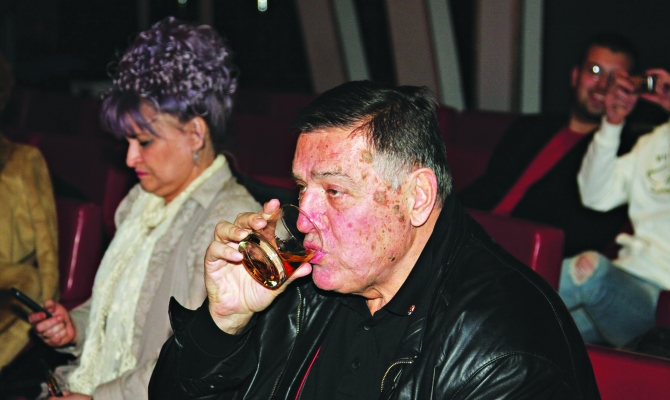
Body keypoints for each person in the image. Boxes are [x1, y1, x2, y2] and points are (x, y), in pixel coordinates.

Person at [149, 81, 600, 399]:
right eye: (302, 188)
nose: (303, 219)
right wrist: (223, 324)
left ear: (416, 198)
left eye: (334, 191)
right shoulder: (304, 282)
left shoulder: (504, 349)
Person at [27, 17, 260, 399]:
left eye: (145, 142)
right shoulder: (142, 200)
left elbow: (190, 361)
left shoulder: (229, 223)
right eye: (128, 141)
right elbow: (117, 308)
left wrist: (96, 398)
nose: (130, 158)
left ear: (195, 134)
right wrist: (75, 327)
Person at [459, 33, 654, 258]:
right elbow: (486, 187)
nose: (602, 85)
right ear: (575, 76)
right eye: (595, 71)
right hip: (469, 239)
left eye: (615, 79)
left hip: (521, 257)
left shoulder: (624, 155)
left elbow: (585, 236)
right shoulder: (529, 127)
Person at [560, 67, 670, 347]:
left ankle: (476, 299)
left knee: (588, 269)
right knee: (531, 337)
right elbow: (595, 196)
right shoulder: (652, 142)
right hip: (622, 283)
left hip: (660, 300)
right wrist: (611, 124)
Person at [0, 52, 59, 370]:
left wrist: (47, 309)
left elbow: (47, 248)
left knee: (29, 282)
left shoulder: (24, 160)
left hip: (9, 285)